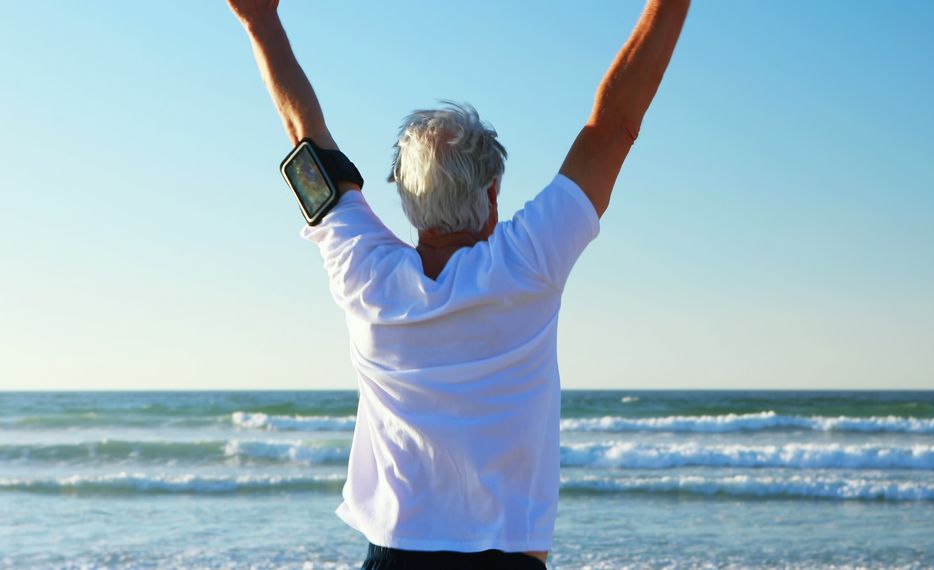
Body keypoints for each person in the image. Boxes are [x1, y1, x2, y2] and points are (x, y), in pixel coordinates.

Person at [227, 1, 689, 567]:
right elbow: (616, 124)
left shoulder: (362, 272)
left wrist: (260, 21)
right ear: (493, 196)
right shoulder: (528, 263)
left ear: (404, 198)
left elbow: (305, 137)